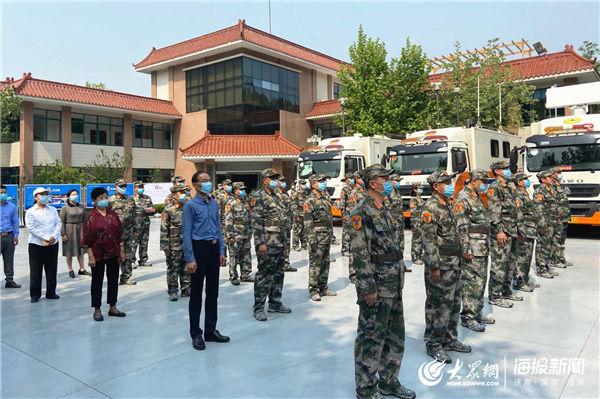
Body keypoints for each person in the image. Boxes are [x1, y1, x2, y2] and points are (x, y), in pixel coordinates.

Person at [349, 164, 415, 399]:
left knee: (395, 336)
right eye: (383, 178)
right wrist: (368, 287)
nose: (389, 181)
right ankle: (366, 388)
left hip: (394, 284)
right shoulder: (361, 211)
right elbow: (359, 252)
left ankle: (389, 380)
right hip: (376, 286)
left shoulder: (383, 208)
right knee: (371, 337)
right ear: (372, 182)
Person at [421, 171, 471, 364]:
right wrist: (434, 266)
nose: (450, 184)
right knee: (438, 305)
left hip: (454, 264)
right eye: (446, 182)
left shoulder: (446, 204)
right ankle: (434, 343)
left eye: (450, 181)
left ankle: (450, 338)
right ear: (436, 186)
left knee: (453, 302)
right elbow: (429, 240)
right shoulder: (430, 207)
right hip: (441, 266)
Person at [183, 171, 229, 351]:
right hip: (198, 249)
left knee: (213, 292)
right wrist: (190, 258)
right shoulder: (190, 206)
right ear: (195, 185)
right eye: (204, 181)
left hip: (213, 248)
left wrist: (221, 251)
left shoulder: (214, 203)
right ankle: (196, 333)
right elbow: (186, 234)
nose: (208, 184)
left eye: (209, 180)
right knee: (196, 294)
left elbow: (218, 228)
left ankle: (210, 330)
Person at [453, 169, 494, 333]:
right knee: (472, 283)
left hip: (482, 246)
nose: (484, 185)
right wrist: (466, 249)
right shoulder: (462, 197)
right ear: (475, 180)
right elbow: (461, 226)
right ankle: (468, 316)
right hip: (472, 248)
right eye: (483, 181)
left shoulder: (476, 197)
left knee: (481, 281)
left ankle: (477, 312)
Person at [250, 168, 292, 321]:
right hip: (267, 244)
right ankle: (259, 307)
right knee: (264, 275)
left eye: (276, 178)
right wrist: (261, 243)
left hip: (280, 243)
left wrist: (286, 242)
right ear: (264, 180)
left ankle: (275, 303)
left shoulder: (277, 197)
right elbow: (257, 222)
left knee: (279, 274)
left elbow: (283, 221)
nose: (275, 180)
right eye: (272, 178)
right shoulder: (258, 197)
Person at [82, 187, 126, 321]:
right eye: (100, 198)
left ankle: (113, 306)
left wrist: (122, 250)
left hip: (113, 252)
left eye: (105, 197)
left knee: (113, 280)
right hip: (97, 254)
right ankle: (97, 309)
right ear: (94, 201)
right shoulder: (90, 217)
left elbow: (119, 233)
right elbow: (86, 238)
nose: (104, 200)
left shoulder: (113, 214)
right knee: (97, 282)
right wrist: (90, 256)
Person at [487, 161, 524, 308]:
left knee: (511, 261)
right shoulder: (494, 187)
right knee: (499, 263)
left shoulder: (508, 187)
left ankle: (506, 290)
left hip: (512, 229)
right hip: (502, 231)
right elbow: (494, 211)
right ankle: (495, 295)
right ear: (497, 171)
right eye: (505, 169)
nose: (508, 171)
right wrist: (499, 230)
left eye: (508, 168)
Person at [25, 187, 61, 302]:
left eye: (46, 194)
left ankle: (51, 292)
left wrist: (53, 237)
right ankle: (35, 294)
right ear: (36, 197)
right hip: (36, 244)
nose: (45, 196)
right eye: (42, 194)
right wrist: (46, 237)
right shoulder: (31, 212)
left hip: (52, 243)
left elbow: (58, 223)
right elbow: (31, 228)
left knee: (52, 269)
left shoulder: (53, 210)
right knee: (36, 270)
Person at [303, 174, 336, 301]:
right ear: (313, 184)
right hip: (316, 236)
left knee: (325, 262)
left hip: (326, 235)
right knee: (315, 263)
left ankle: (323, 287)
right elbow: (307, 222)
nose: (324, 183)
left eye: (324, 181)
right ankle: (314, 290)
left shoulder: (324, 198)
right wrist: (312, 239)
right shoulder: (309, 201)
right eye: (320, 181)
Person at [161, 184, 191, 301]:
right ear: (174, 195)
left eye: (185, 192)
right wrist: (165, 246)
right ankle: (173, 291)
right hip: (173, 244)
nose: (184, 195)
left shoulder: (188, 207)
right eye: (181, 193)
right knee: (173, 268)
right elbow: (164, 228)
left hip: (187, 243)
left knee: (187, 267)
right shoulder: (168, 209)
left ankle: (186, 289)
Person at [512, 173, 542, 291]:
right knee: (521, 258)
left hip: (530, 229)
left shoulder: (525, 193)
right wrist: (520, 231)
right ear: (519, 182)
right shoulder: (518, 195)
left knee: (528, 257)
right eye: (524, 179)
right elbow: (518, 214)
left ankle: (525, 278)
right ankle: (519, 282)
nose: (527, 181)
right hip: (524, 229)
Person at [533, 169, 561, 279]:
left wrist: (558, 217)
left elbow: (555, 205)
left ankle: (547, 266)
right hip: (546, 222)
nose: (552, 179)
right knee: (542, 246)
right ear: (543, 179)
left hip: (553, 220)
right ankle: (541, 269)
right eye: (549, 177)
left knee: (549, 245)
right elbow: (538, 209)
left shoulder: (551, 190)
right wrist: (542, 224)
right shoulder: (540, 191)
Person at [224, 182, 253, 285]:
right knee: (234, 255)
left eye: (243, 189)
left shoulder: (245, 202)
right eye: (241, 189)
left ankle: (245, 274)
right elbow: (228, 221)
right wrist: (230, 235)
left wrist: (250, 231)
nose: (243, 191)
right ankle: (233, 276)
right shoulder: (230, 203)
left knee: (246, 254)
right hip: (236, 233)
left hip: (246, 232)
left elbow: (249, 217)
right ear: (235, 191)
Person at [108, 179, 137, 285]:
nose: (123, 188)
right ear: (115, 187)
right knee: (114, 256)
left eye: (124, 186)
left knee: (128, 255)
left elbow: (134, 216)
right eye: (121, 186)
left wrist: (135, 230)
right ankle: (113, 277)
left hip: (128, 232)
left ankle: (126, 277)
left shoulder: (130, 199)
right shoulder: (110, 200)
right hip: (115, 234)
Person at [60, 188, 90, 278]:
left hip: (80, 229)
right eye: (73, 194)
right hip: (69, 230)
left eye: (76, 194)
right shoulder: (65, 208)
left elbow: (85, 219)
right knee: (69, 250)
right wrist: (63, 234)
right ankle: (70, 269)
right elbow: (61, 221)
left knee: (80, 250)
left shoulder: (81, 206)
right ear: (68, 197)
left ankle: (82, 269)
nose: (75, 196)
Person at [346, 171, 367, 284]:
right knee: (354, 250)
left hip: (366, 225)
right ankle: (353, 274)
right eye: (362, 178)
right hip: (357, 226)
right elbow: (352, 212)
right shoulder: (354, 193)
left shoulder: (366, 192)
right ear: (357, 179)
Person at [550, 167, 572, 268]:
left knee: (562, 239)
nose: (560, 174)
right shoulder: (552, 186)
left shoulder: (560, 185)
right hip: (558, 216)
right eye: (558, 172)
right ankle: (555, 260)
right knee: (556, 239)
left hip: (565, 215)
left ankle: (561, 258)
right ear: (553, 174)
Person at [386, 174, 408, 272]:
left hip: (400, 222)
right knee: (393, 244)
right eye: (397, 180)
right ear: (391, 181)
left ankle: (401, 265)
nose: (399, 182)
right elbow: (386, 208)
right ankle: (393, 266)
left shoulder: (397, 191)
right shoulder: (387, 192)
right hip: (392, 223)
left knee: (401, 244)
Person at [1, 185, 21, 288]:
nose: (3, 195)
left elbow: (15, 222)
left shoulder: (12, 207)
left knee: (9, 259)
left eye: (4, 192)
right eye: (1, 193)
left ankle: (9, 280)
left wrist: (16, 235)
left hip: (9, 236)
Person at [132, 181, 155, 268]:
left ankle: (143, 259)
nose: (141, 188)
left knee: (144, 242)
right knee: (134, 243)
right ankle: (131, 260)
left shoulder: (147, 197)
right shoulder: (131, 199)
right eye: (139, 187)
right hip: (136, 223)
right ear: (135, 188)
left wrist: (151, 210)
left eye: (142, 186)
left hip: (145, 222)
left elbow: (152, 208)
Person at [277, 176, 297, 272]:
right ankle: (278, 265)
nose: (283, 182)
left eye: (284, 181)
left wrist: (292, 221)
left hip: (287, 224)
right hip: (277, 225)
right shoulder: (274, 194)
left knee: (287, 244)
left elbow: (290, 209)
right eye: (281, 181)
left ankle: (286, 263)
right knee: (278, 245)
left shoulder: (285, 194)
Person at [340, 172, 355, 256]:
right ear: (346, 180)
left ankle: (352, 248)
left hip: (355, 214)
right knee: (346, 232)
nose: (351, 180)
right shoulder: (345, 190)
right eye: (350, 179)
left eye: (352, 178)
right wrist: (343, 215)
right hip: (347, 213)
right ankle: (345, 249)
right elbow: (342, 203)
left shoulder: (356, 189)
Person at [409, 184, 425, 266]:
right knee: (416, 240)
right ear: (415, 190)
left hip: (422, 222)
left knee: (421, 240)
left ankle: (420, 256)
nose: (421, 190)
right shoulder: (413, 200)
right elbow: (413, 213)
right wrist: (415, 224)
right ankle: (415, 257)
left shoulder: (420, 199)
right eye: (420, 188)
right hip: (417, 222)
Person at [291, 179, 308, 251]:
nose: (304, 185)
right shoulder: (295, 194)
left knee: (304, 231)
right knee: (297, 230)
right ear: (299, 185)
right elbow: (293, 205)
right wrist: (296, 215)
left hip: (305, 214)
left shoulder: (305, 193)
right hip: (298, 214)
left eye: (305, 184)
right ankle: (295, 245)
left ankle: (304, 245)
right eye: (303, 184)